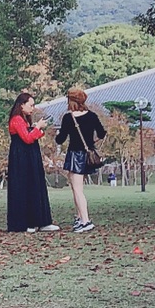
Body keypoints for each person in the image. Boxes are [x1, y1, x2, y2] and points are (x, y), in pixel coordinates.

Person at [6, 91, 57, 234]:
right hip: (21, 159)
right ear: (21, 105)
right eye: (31, 105)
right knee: (23, 188)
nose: (33, 108)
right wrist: (37, 128)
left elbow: (36, 135)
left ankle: (41, 221)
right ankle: (23, 223)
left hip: (30, 158)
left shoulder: (24, 119)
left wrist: (37, 128)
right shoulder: (16, 119)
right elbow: (27, 138)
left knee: (36, 186)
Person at [55, 87, 104, 233]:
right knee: (76, 188)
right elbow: (102, 133)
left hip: (75, 155)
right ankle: (79, 217)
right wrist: (91, 143)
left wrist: (57, 135)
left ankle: (85, 220)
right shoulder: (92, 116)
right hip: (88, 155)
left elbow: (60, 139)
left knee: (77, 190)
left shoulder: (68, 117)